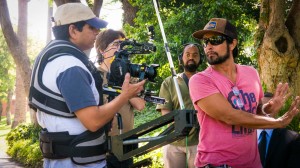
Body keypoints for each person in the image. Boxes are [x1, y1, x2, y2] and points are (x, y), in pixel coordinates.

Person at [28, 3, 145, 168]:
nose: (97, 32)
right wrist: (124, 95)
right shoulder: (70, 66)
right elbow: (93, 120)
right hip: (77, 163)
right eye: (92, 27)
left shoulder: (56, 59)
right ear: (73, 30)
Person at [189, 18, 300, 168]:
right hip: (216, 165)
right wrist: (277, 122)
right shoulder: (200, 80)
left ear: (232, 44)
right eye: (205, 41)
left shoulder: (251, 73)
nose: (208, 46)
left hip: (252, 163)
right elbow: (230, 116)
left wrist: (268, 109)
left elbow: (255, 111)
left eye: (215, 40)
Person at [95, 29, 146, 168]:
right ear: (102, 50)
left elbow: (141, 105)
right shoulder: (94, 76)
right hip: (102, 145)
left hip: (126, 143)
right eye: (116, 44)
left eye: (123, 45)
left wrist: (123, 82)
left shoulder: (129, 75)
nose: (120, 49)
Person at [156, 43, 202, 168]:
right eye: (187, 54)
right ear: (181, 58)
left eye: (195, 55)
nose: (191, 57)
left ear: (200, 58)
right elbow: (165, 111)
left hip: (200, 142)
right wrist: (178, 128)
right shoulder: (170, 82)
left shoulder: (206, 80)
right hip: (174, 143)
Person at [257, 92, 300, 168]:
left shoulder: (293, 139)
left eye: (271, 108)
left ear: (277, 110)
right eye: (263, 108)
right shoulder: (242, 136)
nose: (266, 112)